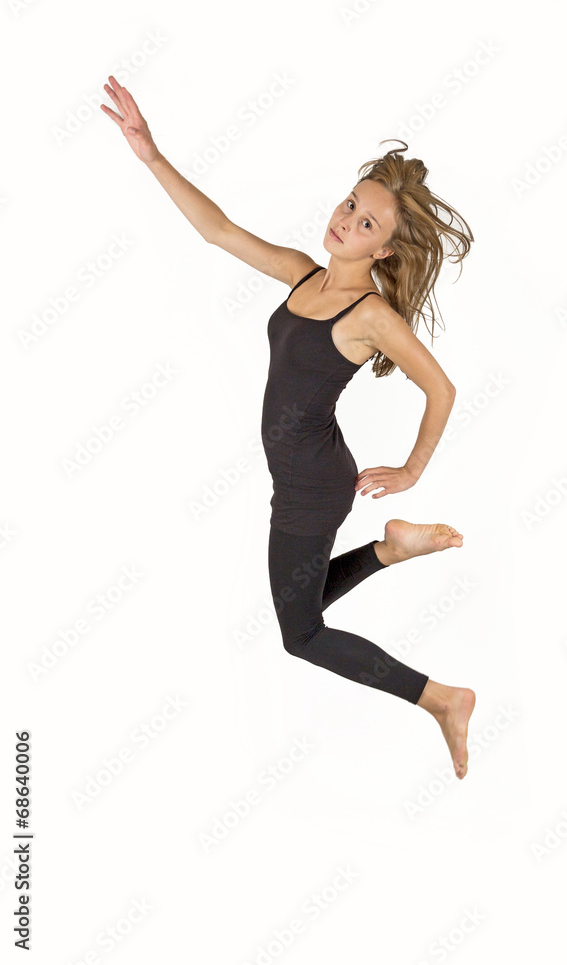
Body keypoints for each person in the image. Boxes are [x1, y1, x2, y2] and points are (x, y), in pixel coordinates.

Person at [101, 75, 477, 779]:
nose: (346, 220)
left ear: (386, 252)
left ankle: (442, 699)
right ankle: (392, 551)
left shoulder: (369, 316)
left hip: (313, 483)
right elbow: (217, 231)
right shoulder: (304, 277)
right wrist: (150, 155)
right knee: (296, 605)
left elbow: (441, 388)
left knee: (300, 635)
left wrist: (412, 469)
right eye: (350, 204)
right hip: (304, 472)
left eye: (366, 224)